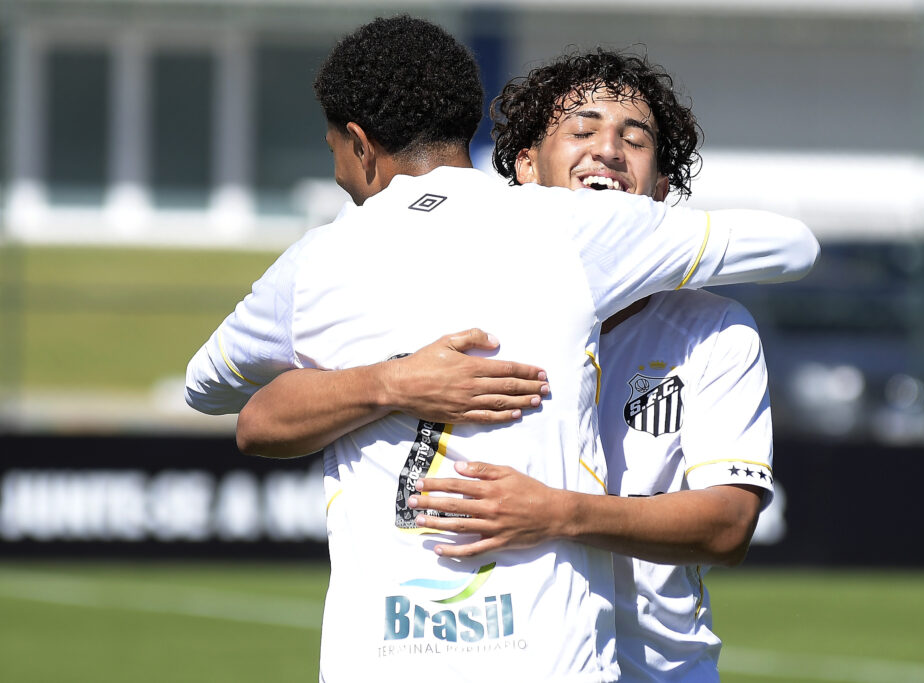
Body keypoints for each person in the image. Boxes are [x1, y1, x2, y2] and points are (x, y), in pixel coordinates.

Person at [185, 17, 818, 683]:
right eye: (581, 132)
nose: (606, 151)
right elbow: (249, 415)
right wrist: (393, 382)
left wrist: (559, 511)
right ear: (522, 167)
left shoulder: (696, 317)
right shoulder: (533, 240)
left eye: (634, 140)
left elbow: (727, 526)